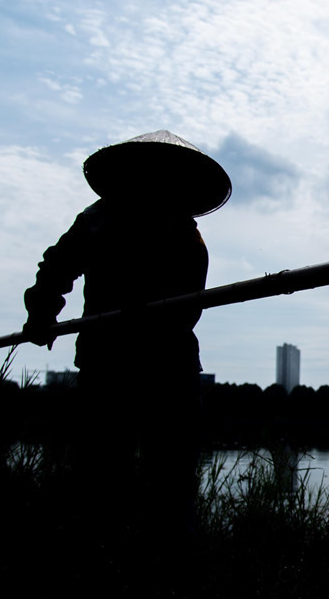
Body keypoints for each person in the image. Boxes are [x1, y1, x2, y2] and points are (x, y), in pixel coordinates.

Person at [22, 130, 231, 547]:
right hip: (108, 360)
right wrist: (43, 310)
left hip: (169, 363)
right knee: (102, 470)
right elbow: (58, 266)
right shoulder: (100, 218)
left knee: (171, 477)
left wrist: (150, 313)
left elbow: (190, 304)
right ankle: (102, 555)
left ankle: (171, 559)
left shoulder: (186, 234)